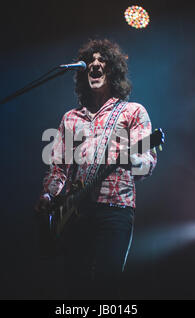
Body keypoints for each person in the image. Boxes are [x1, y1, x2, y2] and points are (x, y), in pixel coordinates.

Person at [35, 39, 157, 299]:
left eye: (102, 62)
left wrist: (131, 160)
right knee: (74, 286)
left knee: (105, 286)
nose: (95, 65)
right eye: (91, 62)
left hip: (115, 210)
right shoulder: (71, 118)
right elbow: (59, 168)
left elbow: (147, 163)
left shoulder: (132, 112)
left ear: (113, 71)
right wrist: (48, 195)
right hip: (75, 213)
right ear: (83, 74)